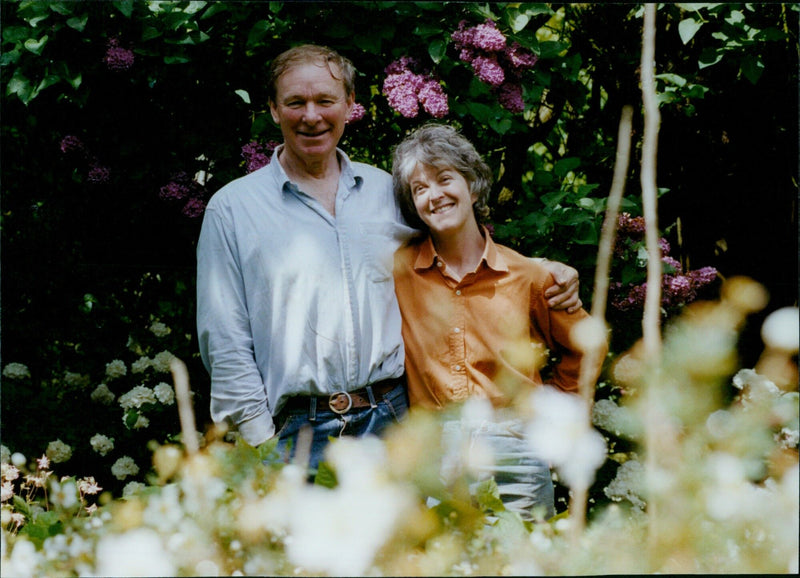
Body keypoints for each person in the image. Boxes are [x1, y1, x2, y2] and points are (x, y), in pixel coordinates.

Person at [196, 44, 582, 474]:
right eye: (295, 102)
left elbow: (456, 246)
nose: (311, 116)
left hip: (395, 425)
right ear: (272, 109)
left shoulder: (387, 193)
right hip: (293, 436)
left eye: (325, 100)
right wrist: (261, 444)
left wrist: (540, 268)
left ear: (349, 105)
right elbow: (224, 340)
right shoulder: (232, 210)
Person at [391, 123, 607, 521]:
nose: (435, 195)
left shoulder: (528, 275)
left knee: (521, 560)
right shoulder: (397, 271)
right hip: (435, 453)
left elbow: (586, 345)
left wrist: (553, 413)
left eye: (444, 179)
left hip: (516, 450)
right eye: (420, 189)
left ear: (472, 187)